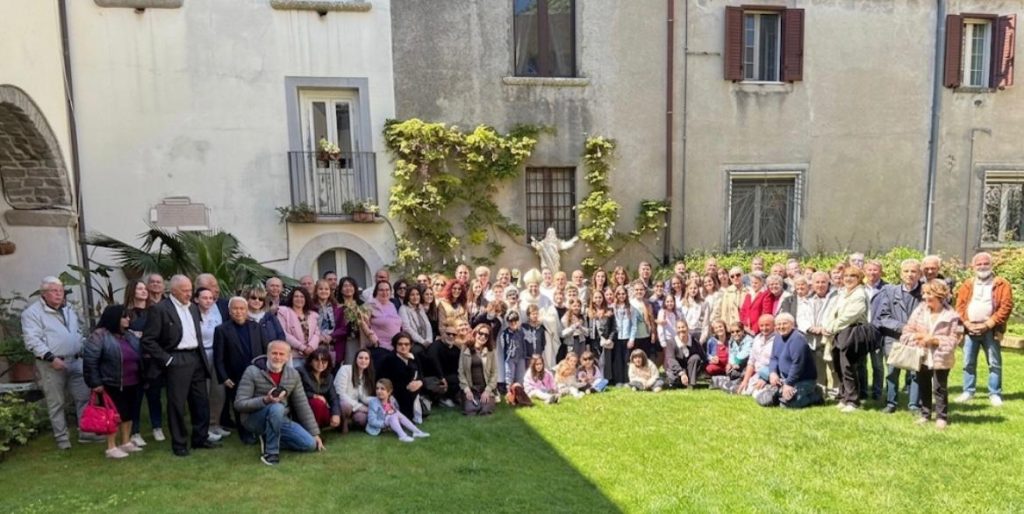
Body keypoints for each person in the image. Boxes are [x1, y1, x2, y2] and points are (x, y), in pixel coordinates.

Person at [141, 275, 218, 457]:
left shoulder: (192, 307)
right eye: (185, 291)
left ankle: (200, 438)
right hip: (176, 358)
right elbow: (148, 340)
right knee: (177, 403)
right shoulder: (160, 309)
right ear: (173, 291)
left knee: (200, 401)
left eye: (190, 290)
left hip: (196, 357)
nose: (189, 294)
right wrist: (167, 360)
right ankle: (180, 443)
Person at [21, 276, 96, 450]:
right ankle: (62, 439)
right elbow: (32, 340)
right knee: (56, 402)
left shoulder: (68, 309)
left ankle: (86, 432)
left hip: (76, 360)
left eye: (61, 291)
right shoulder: (32, 313)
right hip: (51, 363)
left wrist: (83, 347)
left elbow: (78, 331)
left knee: (83, 397)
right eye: (54, 291)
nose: (59, 294)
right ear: (43, 294)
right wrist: (50, 357)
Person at [233, 341, 324, 465]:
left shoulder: (293, 375)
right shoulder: (252, 371)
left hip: (281, 419)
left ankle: (268, 437)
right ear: (267, 354)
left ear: (288, 357)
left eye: (282, 354)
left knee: (310, 444)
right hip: (253, 419)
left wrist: (314, 433)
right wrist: (265, 400)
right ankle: (271, 453)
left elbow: (302, 405)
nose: (277, 357)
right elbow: (239, 404)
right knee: (277, 407)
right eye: (274, 353)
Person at [83, 305, 143, 458]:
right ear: (115, 318)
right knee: (112, 415)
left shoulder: (129, 335)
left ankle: (126, 442)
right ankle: (111, 447)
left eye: (128, 316)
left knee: (129, 413)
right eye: (124, 316)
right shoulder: (99, 336)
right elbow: (90, 360)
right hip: (111, 382)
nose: (128, 319)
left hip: (132, 381)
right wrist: (95, 382)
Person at [902, 280, 962, 429]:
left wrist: (935, 340)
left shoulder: (952, 316)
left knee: (939, 388)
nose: (925, 297)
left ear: (939, 295)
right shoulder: (919, 311)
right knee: (923, 385)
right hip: (921, 355)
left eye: (929, 293)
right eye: (924, 293)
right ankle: (925, 414)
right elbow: (907, 331)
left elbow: (954, 340)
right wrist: (917, 337)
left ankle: (941, 417)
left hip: (941, 357)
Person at [955, 252, 1012, 407]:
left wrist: (988, 324)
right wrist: (966, 323)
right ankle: (968, 391)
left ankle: (995, 393)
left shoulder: (1001, 284)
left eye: (986, 263)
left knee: (994, 363)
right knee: (968, 362)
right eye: (979, 264)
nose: (982, 266)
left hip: (991, 330)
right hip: (970, 329)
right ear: (973, 266)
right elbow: (959, 306)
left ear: (991, 265)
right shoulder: (967, 284)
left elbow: (1006, 307)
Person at [213, 296, 269, 445]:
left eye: (242, 308)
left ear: (246, 310)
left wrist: (267, 370)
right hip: (234, 375)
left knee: (258, 402)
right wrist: (224, 377)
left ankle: (260, 429)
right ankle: (245, 433)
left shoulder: (256, 327)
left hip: (257, 373)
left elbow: (266, 349)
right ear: (229, 311)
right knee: (239, 405)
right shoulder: (221, 330)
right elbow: (218, 357)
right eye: (235, 309)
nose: (238, 312)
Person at [872, 259, 923, 414]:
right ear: (901, 274)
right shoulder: (890, 291)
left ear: (919, 274)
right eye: (906, 271)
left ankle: (914, 405)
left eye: (913, 271)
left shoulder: (925, 292)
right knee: (892, 372)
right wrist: (902, 327)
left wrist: (915, 331)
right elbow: (883, 316)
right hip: (894, 337)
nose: (910, 274)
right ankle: (891, 403)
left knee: (915, 372)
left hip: (916, 337)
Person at [826, 266, 870, 413]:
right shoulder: (843, 293)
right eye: (846, 276)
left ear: (859, 279)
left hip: (851, 331)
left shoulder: (859, 294)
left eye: (853, 276)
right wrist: (828, 325)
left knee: (848, 367)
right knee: (839, 365)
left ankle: (853, 400)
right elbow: (834, 312)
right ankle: (844, 397)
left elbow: (850, 315)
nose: (848, 279)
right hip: (839, 332)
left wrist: (832, 327)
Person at [123, 278, 162, 447]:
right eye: (139, 289)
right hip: (133, 360)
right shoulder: (126, 313)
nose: (144, 291)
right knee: (135, 397)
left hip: (151, 359)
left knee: (154, 395)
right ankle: (135, 431)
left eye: (144, 288)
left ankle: (157, 427)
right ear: (132, 291)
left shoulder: (154, 311)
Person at [767, 313, 822, 408]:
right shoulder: (777, 337)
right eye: (778, 324)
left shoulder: (797, 339)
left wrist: (789, 383)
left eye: (785, 323)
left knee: (787, 404)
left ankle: (816, 395)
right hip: (784, 378)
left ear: (792, 325)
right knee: (764, 400)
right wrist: (772, 372)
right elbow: (774, 358)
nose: (781, 327)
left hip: (802, 380)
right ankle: (780, 393)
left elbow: (798, 364)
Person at [195, 287, 227, 442]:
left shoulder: (216, 312)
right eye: (204, 298)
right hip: (201, 356)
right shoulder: (193, 314)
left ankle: (215, 424)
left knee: (218, 391)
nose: (208, 301)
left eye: (211, 298)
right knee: (204, 392)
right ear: (196, 299)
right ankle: (205, 427)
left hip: (217, 354)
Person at [378, 332, 425, 422]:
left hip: (412, 390)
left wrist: (420, 382)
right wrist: (410, 363)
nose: (403, 347)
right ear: (395, 345)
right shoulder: (389, 359)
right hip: (394, 392)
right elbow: (401, 377)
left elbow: (421, 373)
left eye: (406, 344)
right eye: (400, 344)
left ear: (410, 345)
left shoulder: (414, 356)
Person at [297, 347, 342, 429]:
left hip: (320, 409)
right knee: (317, 403)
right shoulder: (301, 372)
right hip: (303, 408)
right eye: (317, 360)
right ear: (311, 361)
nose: (320, 364)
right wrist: (314, 396)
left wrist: (336, 414)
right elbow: (297, 392)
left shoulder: (329, 377)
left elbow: (333, 397)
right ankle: (313, 431)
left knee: (336, 409)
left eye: (324, 361)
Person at [459, 324, 498, 415]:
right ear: (475, 333)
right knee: (471, 410)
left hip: (485, 388)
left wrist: (487, 391)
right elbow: (461, 372)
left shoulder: (491, 351)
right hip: (471, 388)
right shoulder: (465, 348)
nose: (483, 337)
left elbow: (494, 373)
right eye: (481, 333)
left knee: (485, 410)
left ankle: (489, 399)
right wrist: (467, 390)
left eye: (486, 335)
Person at [277, 286, 319, 368]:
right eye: (296, 296)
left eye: (302, 296)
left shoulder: (313, 315)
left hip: (311, 356)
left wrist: (311, 347)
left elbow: (317, 333)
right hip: (293, 357)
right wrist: (302, 348)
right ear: (291, 298)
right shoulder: (283, 312)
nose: (299, 299)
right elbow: (284, 333)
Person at [422, 321, 462, 408]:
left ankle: (449, 397)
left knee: (459, 379)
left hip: (449, 378)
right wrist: (442, 377)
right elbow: (434, 361)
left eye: (454, 334)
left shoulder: (456, 349)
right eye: (448, 334)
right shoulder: (435, 346)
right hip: (435, 377)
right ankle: (439, 399)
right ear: (443, 334)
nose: (451, 336)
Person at [334, 348, 375, 430]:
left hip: (354, 407)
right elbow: (340, 394)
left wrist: (378, 401)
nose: (363, 361)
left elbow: (363, 397)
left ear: (370, 361)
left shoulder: (364, 376)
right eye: (360, 358)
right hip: (340, 404)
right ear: (355, 359)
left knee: (362, 419)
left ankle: (349, 422)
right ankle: (343, 423)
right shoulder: (345, 369)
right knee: (345, 405)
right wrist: (360, 407)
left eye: (366, 358)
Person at [364, 281, 403, 367]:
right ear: (376, 291)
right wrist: (370, 334)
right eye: (381, 290)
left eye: (387, 290)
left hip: (396, 346)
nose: (384, 292)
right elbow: (363, 324)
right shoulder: (370, 305)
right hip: (380, 347)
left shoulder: (392, 305)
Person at [737, 314, 776, 395]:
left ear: (774, 325)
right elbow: (751, 361)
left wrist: (764, 378)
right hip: (758, 373)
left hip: (771, 374)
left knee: (757, 395)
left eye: (767, 325)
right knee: (744, 392)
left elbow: (778, 363)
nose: (764, 328)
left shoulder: (778, 339)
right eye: (762, 325)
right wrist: (745, 381)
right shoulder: (757, 339)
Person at [312, 279, 348, 366]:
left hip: (334, 344)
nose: (323, 291)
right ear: (316, 291)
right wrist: (318, 337)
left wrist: (331, 336)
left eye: (326, 289)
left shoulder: (339, 308)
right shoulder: (311, 307)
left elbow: (344, 328)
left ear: (330, 291)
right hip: (316, 343)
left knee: (333, 369)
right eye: (320, 289)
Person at [609, 286, 637, 386]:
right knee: (617, 360)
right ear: (616, 295)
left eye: (623, 294)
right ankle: (618, 380)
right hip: (616, 338)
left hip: (627, 337)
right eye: (619, 294)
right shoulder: (612, 307)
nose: (621, 296)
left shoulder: (631, 308)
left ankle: (627, 380)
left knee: (627, 359)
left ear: (626, 295)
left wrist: (632, 339)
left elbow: (634, 325)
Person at [664, 320, 704, 389]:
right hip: (677, 371)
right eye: (679, 328)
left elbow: (702, 355)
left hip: (691, 371)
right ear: (676, 330)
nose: (681, 330)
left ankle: (691, 383)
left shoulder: (694, 340)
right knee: (673, 380)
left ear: (687, 328)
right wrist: (681, 373)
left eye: (683, 327)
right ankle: (679, 382)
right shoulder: (671, 342)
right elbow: (671, 360)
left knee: (696, 357)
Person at [400, 284, 434, 352]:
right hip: (414, 342)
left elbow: (428, 325)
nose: (415, 297)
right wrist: (422, 342)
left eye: (417, 294)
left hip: (426, 341)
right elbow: (407, 328)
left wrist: (429, 340)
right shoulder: (403, 309)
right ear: (408, 296)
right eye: (412, 295)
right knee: (418, 351)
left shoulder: (420, 307)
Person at [500, 310, 528, 386]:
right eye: (511, 322)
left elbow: (524, 343)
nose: (513, 323)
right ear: (508, 322)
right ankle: (509, 391)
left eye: (515, 321)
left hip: (521, 357)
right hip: (510, 358)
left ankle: (519, 391)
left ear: (518, 321)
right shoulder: (505, 333)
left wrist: (524, 355)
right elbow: (503, 346)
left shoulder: (521, 331)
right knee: (509, 377)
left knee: (520, 377)